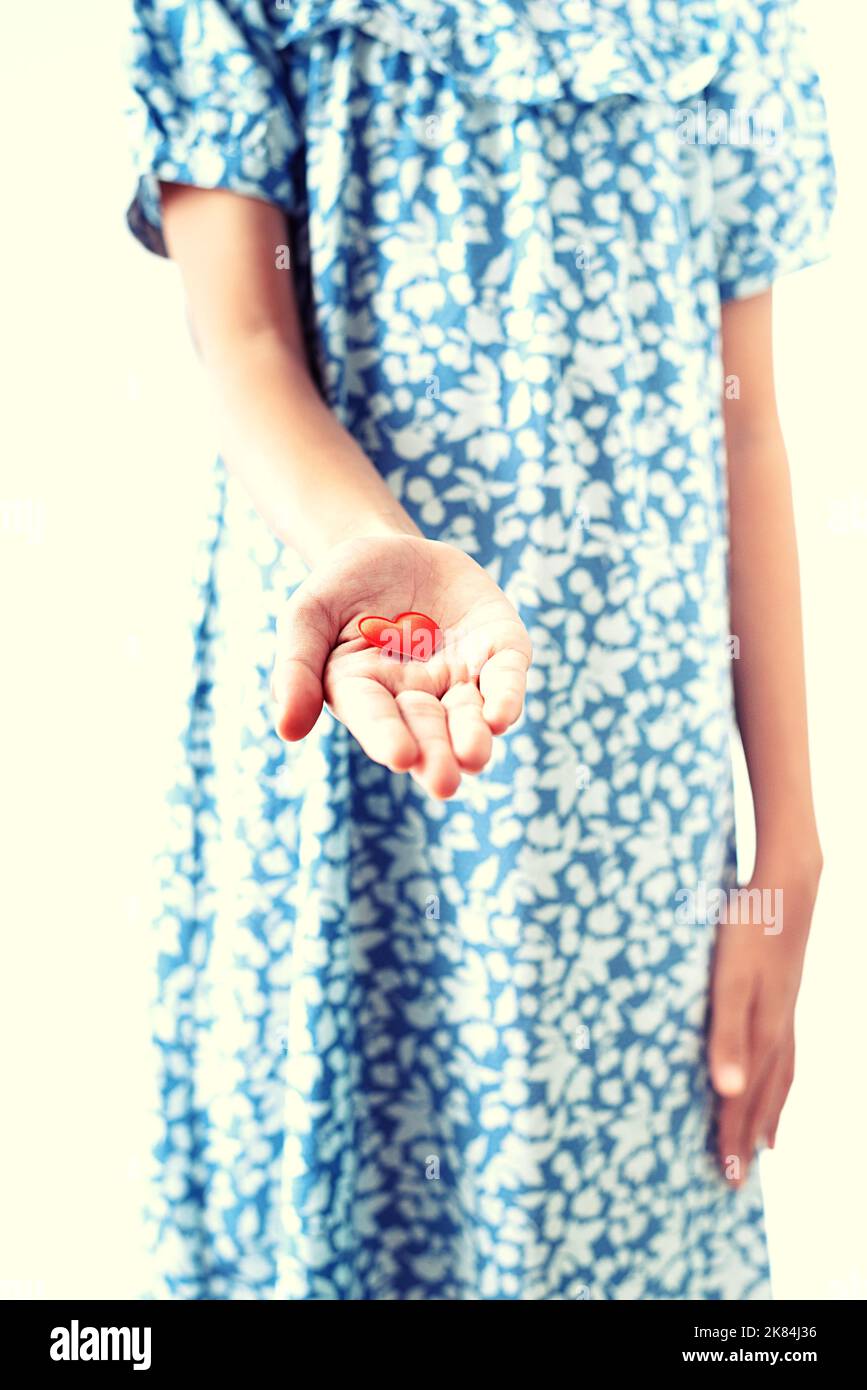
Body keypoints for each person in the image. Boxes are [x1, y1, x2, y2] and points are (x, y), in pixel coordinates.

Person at [126, 0, 835, 1299]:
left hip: (631, 821)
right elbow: (242, 341)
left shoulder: (732, 23)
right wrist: (362, 549)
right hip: (354, 727)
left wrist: (786, 839)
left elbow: (747, 428)